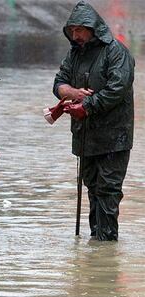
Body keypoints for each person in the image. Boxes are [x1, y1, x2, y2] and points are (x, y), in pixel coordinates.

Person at [50, 1, 135, 241]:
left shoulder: (116, 52)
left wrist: (86, 106)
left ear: (93, 28)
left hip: (114, 137)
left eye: (80, 30)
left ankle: (106, 245)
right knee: (92, 188)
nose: (75, 35)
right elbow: (59, 82)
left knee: (108, 190)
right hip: (85, 136)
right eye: (72, 30)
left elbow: (117, 89)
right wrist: (72, 93)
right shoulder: (75, 54)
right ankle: (96, 243)